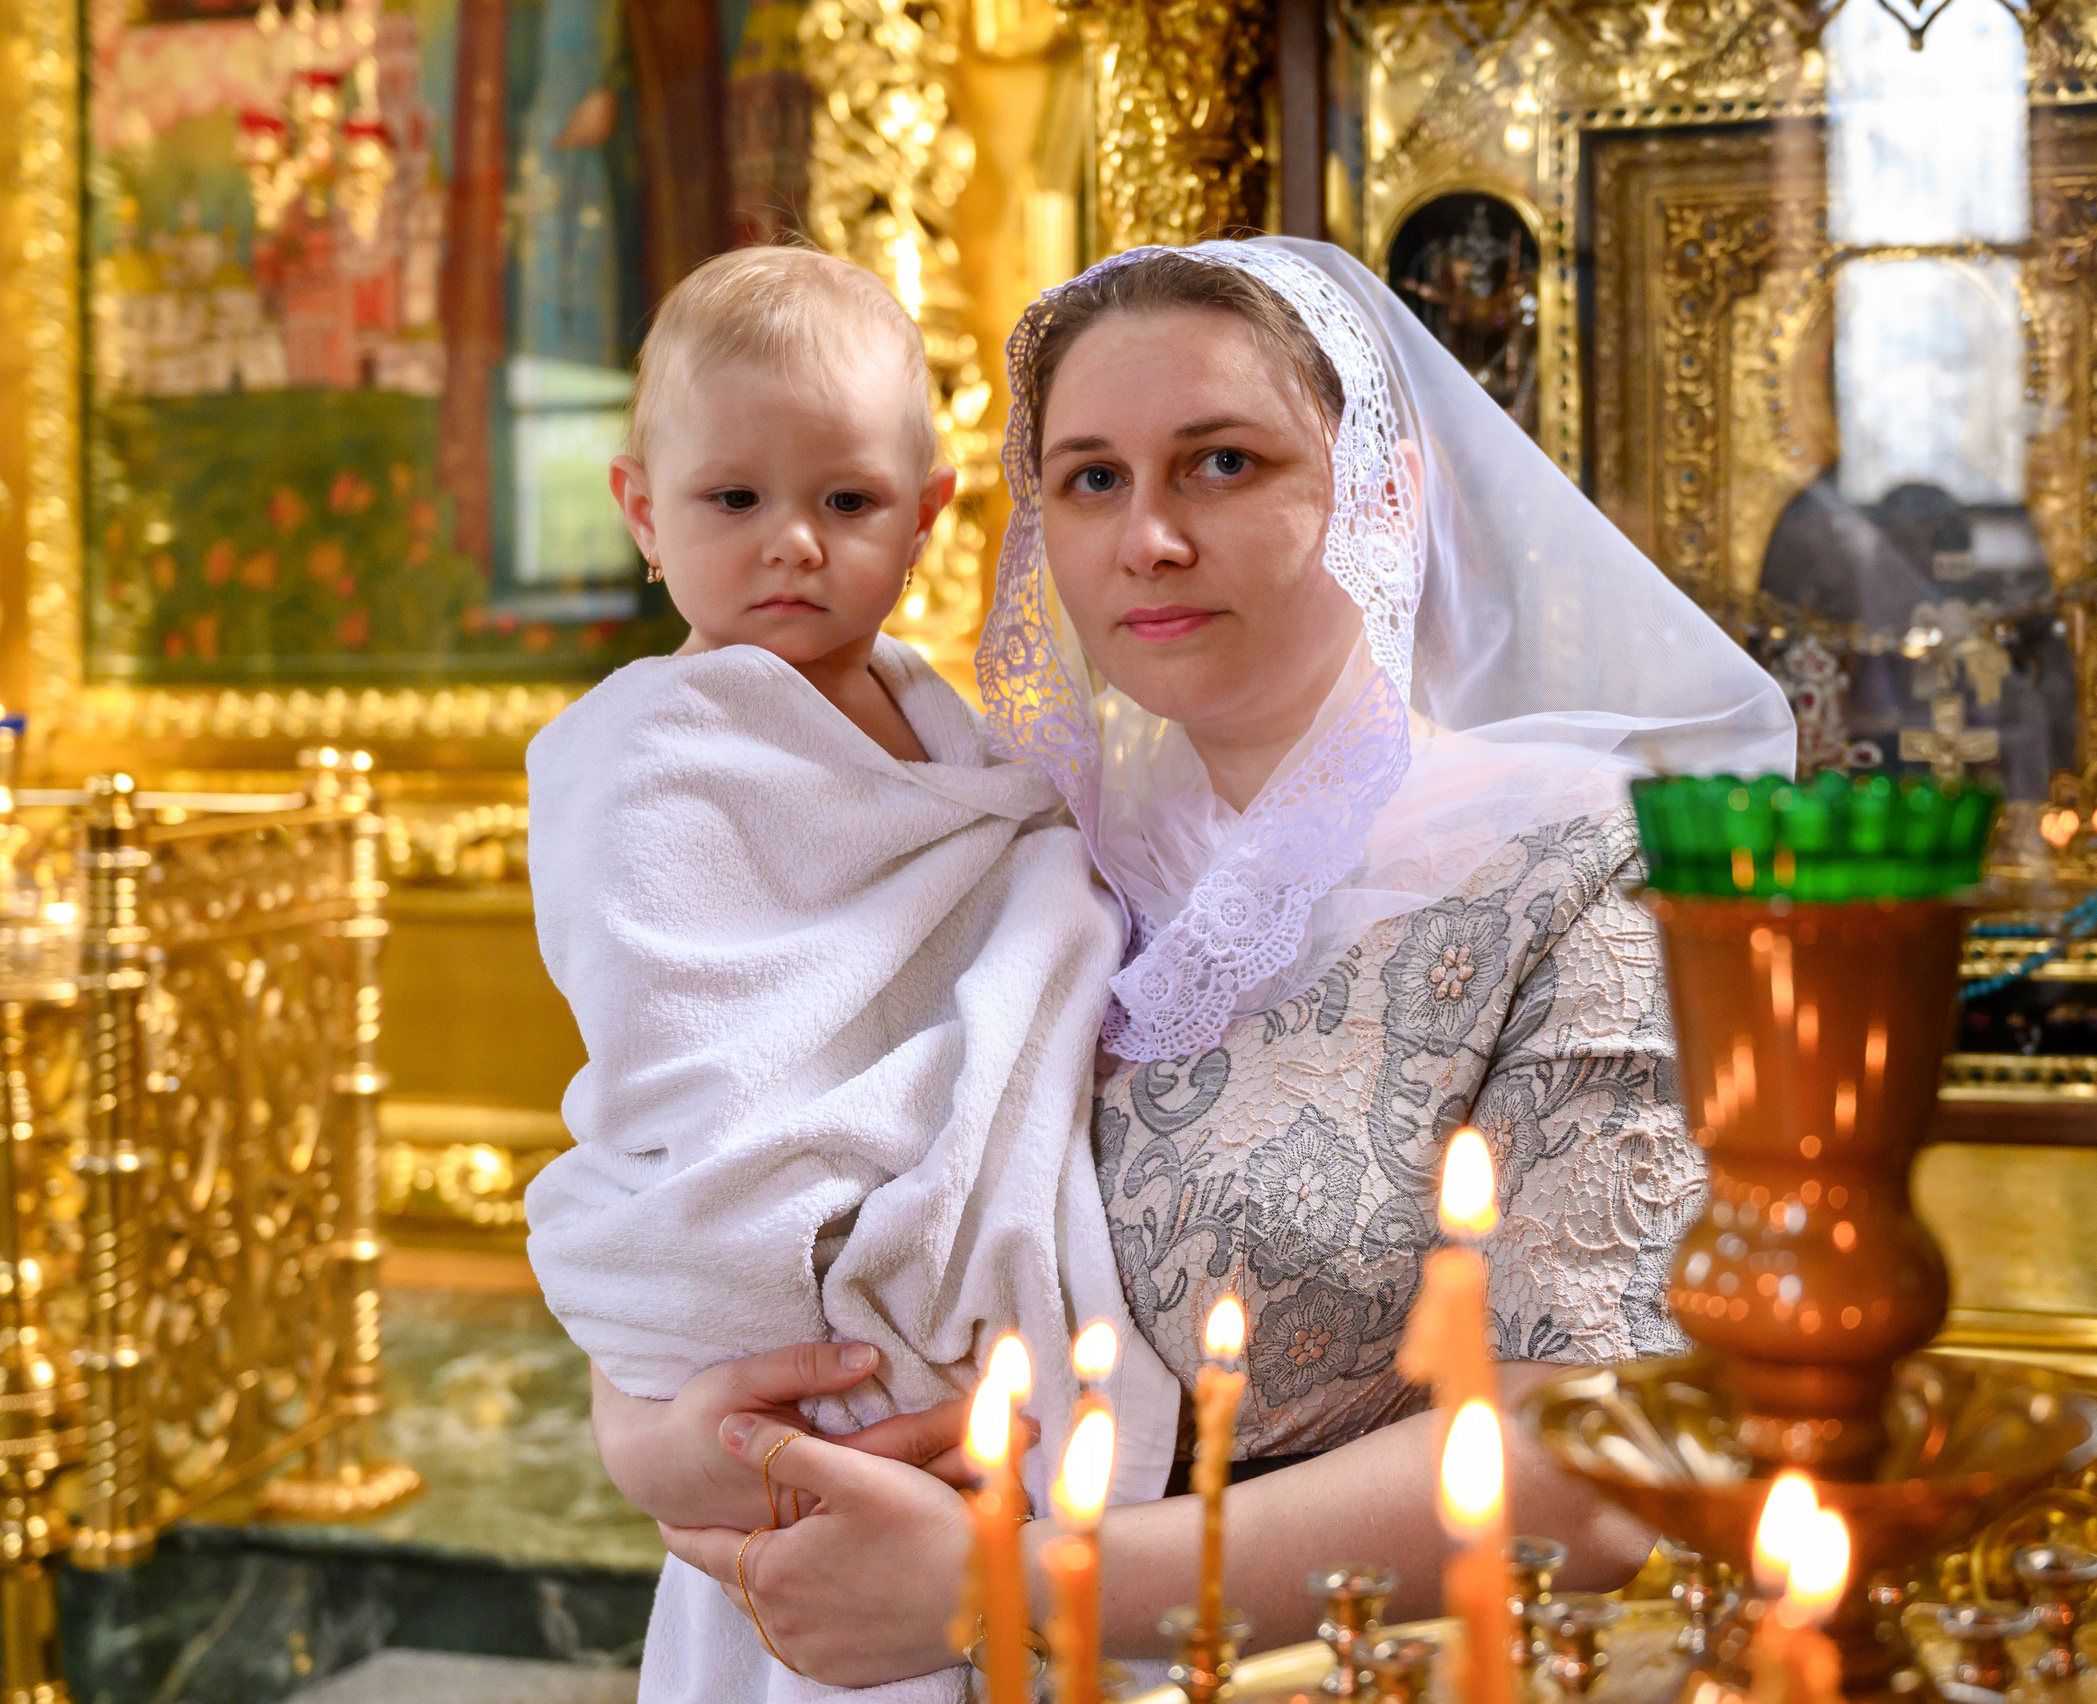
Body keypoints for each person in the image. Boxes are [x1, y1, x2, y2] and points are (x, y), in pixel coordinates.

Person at [604, 237, 1795, 1685]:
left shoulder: (1579, 879)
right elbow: (716, 1152)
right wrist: (661, 1430)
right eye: (1092, 478)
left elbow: (1596, 1463)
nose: (1146, 539)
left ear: (1385, 493)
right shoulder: (1002, 827)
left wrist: (1020, 1583)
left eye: (1221, 463)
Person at [524, 245, 1177, 1704]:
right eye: (734, 500)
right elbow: (693, 1046)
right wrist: (804, 1232)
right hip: (806, 1319)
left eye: (847, 502)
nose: (793, 544)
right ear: (642, 507)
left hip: (964, 1339)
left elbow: (1019, 926)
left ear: (929, 515)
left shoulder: (953, 729)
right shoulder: (646, 758)